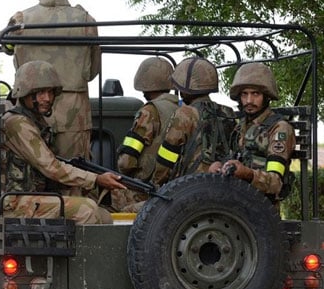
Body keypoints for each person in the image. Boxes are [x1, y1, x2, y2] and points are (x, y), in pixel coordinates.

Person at [7, 0, 101, 189]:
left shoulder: (20, 20)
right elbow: (93, 72)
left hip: (29, 109)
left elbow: (7, 49)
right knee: (76, 177)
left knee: (35, 175)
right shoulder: (86, 20)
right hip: (74, 110)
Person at [1, 60, 125, 224]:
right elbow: (51, 167)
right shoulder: (17, 123)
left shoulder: (34, 121)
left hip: (30, 197)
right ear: (25, 93)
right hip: (14, 202)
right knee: (86, 210)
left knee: (103, 215)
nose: (48, 98)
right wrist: (95, 179)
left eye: (51, 92)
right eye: (41, 92)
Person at [209, 63, 295, 204]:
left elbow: (275, 183)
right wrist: (220, 167)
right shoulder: (241, 127)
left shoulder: (279, 129)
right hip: (237, 202)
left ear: (266, 96)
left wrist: (248, 174)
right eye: (244, 94)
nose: (249, 100)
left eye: (255, 94)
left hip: (262, 209)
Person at [152, 57, 236, 186]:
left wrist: (157, 183)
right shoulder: (228, 112)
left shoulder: (185, 113)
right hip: (224, 185)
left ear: (186, 88)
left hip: (190, 187)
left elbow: (167, 156)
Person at [112, 57, 178, 212]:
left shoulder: (149, 111)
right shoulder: (183, 110)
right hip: (172, 186)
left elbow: (126, 162)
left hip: (145, 189)